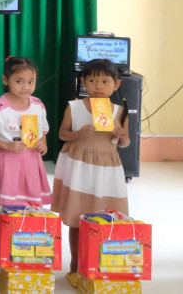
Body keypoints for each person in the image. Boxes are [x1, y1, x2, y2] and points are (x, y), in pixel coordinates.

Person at [52, 59, 130, 287]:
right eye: (93, 80)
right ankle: (74, 267)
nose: (98, 86)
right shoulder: (74, 107)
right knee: (77, 218)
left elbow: (125, 143)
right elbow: (62, 134)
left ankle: (98, 265)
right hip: (78, 169)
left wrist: (122, 137)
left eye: (105, 81)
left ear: (116, 84)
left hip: (106, 172)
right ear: (83, 82)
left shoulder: (120, 111)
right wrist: (79, 134)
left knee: (105, 218)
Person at [0, 56, 52, 207]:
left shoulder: (38, 105)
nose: (26, 87)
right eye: (19, 81)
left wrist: (42, 143)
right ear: (5, 80)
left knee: (32, 204)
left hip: (32, 159)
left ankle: (30, 224)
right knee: (8, 204)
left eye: (31, 82)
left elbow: (43, 130)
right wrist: (7, 145)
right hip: (8, 160)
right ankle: (8, 222)